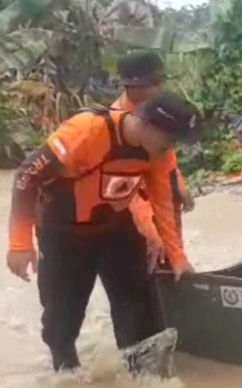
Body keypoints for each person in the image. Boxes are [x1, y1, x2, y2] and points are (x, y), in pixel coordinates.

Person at [5, 92, 199, 373]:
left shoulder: (160, 153)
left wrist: (177, 255)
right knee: (62, 317)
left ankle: (145, 379)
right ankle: (66, 378)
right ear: (148, 125)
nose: (172, 147)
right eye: (170, 139)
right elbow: (26, 177)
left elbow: (162, 200)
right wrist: (20, 243)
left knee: (136, 308)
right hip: (63, 234)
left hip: (116, 229)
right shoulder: (85, 131)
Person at [112, 51, 194, 270]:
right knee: (147, 255)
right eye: (155, 84)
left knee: (172, 249)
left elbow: (165, 156)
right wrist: (150, 229)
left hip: (160, 189)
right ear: (133, 87)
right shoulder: (117, 123)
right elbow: (124, 192)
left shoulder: (158, 110)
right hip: (127, 203)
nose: (161, 89)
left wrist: (179, 183)